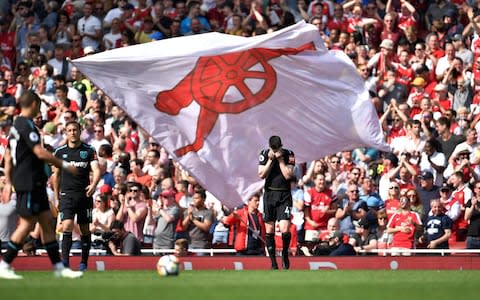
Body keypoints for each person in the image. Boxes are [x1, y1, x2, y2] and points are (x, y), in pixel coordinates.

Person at [0, 91, 83, 279]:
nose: (40, 110)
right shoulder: (26, 125)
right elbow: (39, 152)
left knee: (46, 221)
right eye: (39, 105)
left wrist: (8, 182)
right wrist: (64, 164)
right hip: (28, 181)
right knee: (28, 224)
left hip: (32, 182)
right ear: (35, 103)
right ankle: (4, 265)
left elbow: (7, 156)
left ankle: (58, 268)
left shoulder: (15, 126)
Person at [53, 121, 100, 271]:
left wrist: (93, 185)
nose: (72, 132)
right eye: (69, 130)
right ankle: (65, 263)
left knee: (85, 229)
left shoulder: (89, 150)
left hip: (84, 195)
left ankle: (83, 262)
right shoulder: (60, 152)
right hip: (67, 195)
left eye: (75, 130)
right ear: (66, 133)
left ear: (80, 131)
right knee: (66, 226)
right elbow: (56, 176)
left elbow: (97, 170)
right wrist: (57, 196)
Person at [258, 135, 295, 269]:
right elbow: (261, 174)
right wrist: (270, 160)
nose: (275, 150)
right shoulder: (264, 154)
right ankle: (273, 263)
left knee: (285, 228)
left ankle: (285, 253)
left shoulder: (289, 154)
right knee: (270, 229)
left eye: (277, 148)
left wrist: (280, 160)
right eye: (273, 148)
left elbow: (288, 175)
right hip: (269, 194)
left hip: (284, 194)